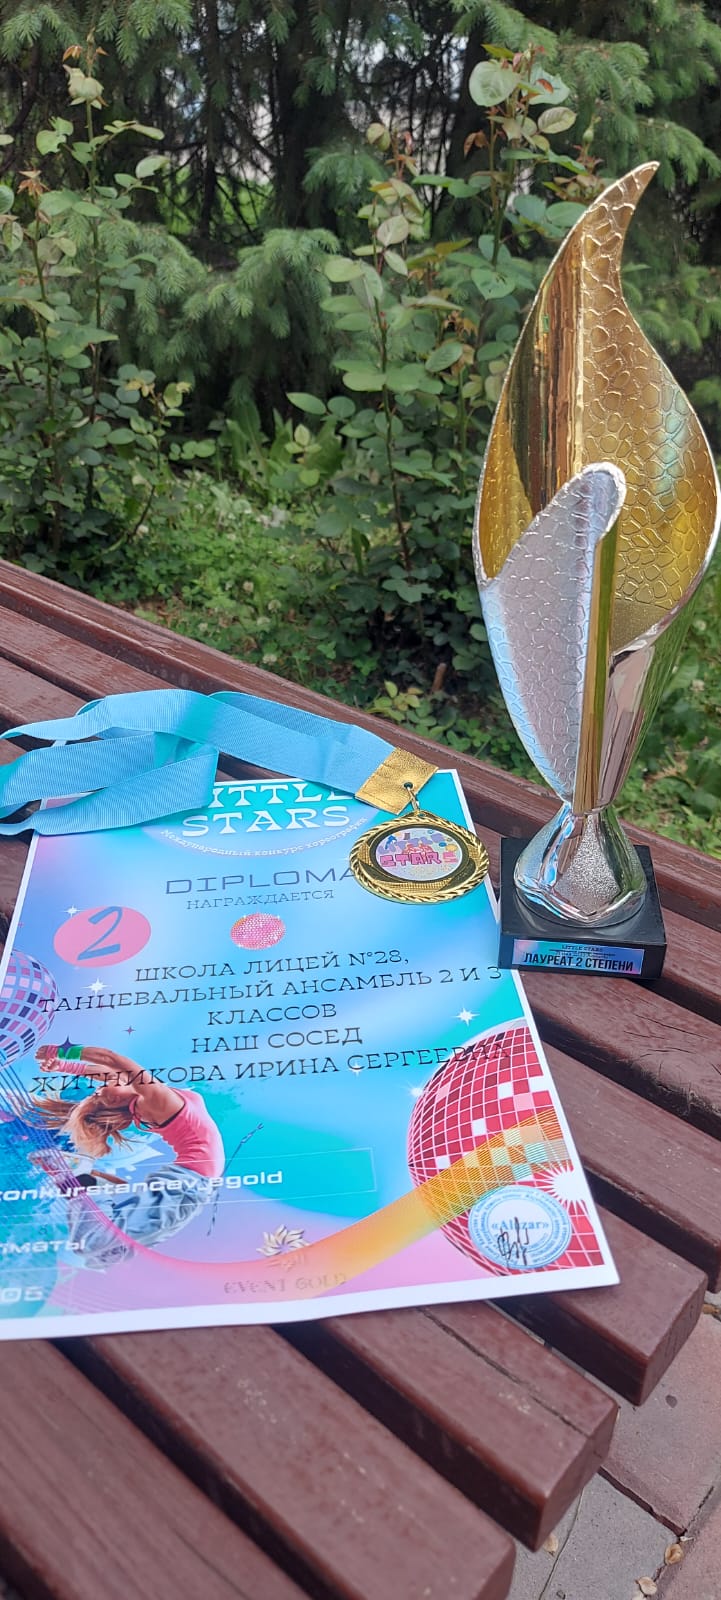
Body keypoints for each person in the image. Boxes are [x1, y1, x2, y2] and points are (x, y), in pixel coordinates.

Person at [32, 1044, 226, 1269]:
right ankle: (83, 1180)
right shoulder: (154, 1099)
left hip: (192, 1185)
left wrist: (63, 1065)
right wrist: (61, 1051)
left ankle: (89, 1185)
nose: (102, 1085)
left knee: (107, 1255)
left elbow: (107, 1072)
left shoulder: (143, 1097)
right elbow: (111, 1059)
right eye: (101, 1091)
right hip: (186, 1184)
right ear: (116, 1100)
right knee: (98, 1245)